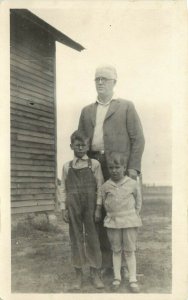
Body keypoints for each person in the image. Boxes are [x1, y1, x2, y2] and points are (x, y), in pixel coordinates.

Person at [78, 65, 145, 273]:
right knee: (98, 214)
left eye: (105, 79)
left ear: (114, 82)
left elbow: (138, 139)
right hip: (94, 167)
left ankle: (124, 264)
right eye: (97, 79)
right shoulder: (87, 111)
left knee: (122, 215)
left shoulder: (126, 107)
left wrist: (133, 169)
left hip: (119, 168)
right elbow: (80, 140)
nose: (100, 82)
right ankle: (105, 263)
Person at [59, 130, 104, 290]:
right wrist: (63, 208)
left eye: (83, 145)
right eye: (77, 145)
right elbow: (62, 188)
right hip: (73, 205)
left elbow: (100, 187)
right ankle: (78, 274)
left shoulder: (94, 164)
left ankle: (95, 273)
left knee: (93, 237)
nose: (80, 148)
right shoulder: (66, 166)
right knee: (75, 237)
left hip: (90, 206)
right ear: (71, 146)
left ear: (87, 146)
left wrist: (98, 207)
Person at [95, 152, 142, 292]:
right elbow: (104, 203)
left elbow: (138, 202)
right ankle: (117, 278)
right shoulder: (105, 186)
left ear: (124, 167)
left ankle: (133, 279)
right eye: (111, 168)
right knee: (115, 250)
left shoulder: (132, 184)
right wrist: (111, 214)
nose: (114, 170)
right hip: (113, 221)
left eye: (117, 167)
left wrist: (133, 215)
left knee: (129, 250)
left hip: (129, 220)